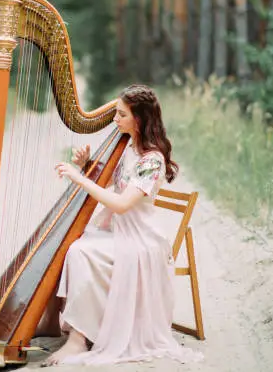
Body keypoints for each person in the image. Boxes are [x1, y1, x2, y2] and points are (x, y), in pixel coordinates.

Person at [43, 84, 203, 366]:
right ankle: (51, 321)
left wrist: (79, 179)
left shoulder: (152, 160)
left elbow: (120, 204)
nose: (115, 120)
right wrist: (86, 165)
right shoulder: (126, 147)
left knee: (81, 252)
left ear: (139, 120)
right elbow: (109, 183)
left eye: (121, 115)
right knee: (66, 242)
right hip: (118, 232)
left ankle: (78, 340)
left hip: (141, 241)